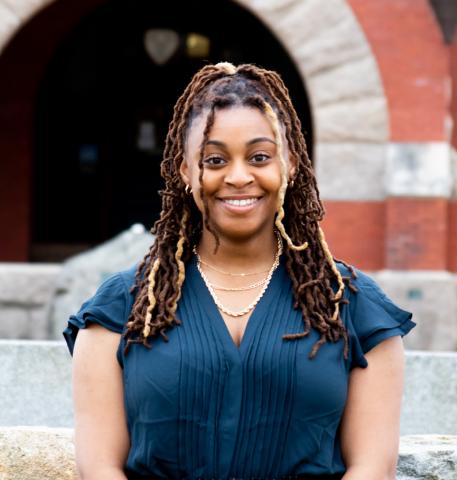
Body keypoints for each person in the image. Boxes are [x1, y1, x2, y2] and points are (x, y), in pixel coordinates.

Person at [63, 62, 416, 480]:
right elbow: (99, 467)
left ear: (290, 165)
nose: (238, 176)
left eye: (259, 157)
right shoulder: (121, 309)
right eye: (214, 159)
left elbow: (372, 468)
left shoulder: (352, 306)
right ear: (186, 172)